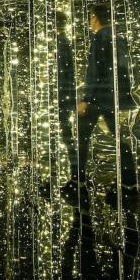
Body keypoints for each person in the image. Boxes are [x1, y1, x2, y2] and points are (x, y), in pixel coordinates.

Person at [75, 3, 139, 270]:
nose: (89, 22)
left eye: (90, 17)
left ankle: (77, 178)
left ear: (96, 18)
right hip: (115, 99)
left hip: (100, 98)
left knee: (82, 136)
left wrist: (85, 98)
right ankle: (129, 183)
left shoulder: (100, 38)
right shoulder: (119, 39)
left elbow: (94, 71)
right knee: (120, 141)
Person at [55, 12, 77, 177]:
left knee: (65, 131)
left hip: (61, 95)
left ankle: (73, 169)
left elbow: (65, 72)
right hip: (64, 95)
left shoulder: (60, 43)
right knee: (64, 131)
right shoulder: (63, 42)